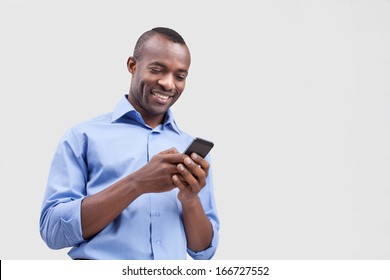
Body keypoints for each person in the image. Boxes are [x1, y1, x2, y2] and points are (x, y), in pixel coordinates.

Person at [39, 27, 220, 260]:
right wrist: (137, 183)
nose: (168, 84)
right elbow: (53, 231)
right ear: (132, 66)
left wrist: (190, 199)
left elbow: (203, 251)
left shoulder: (190, 150)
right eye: (157, 70)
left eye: (180, 76)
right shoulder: (82, 137)